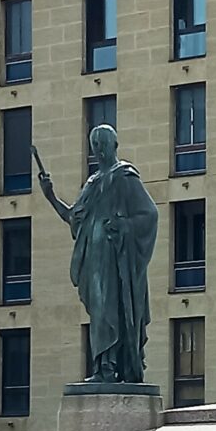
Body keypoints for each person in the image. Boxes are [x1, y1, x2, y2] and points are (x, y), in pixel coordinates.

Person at [38, 125, 159, 384]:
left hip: (115, 260)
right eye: (95, 145)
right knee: (100, 313)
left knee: (110, 311)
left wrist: (123, 226)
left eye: (102, 144)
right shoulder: (92, 183)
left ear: (114, 146)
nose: (99, 150)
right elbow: (73, 217)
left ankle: (112, 368)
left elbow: (149, 214)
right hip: (94, 259)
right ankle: (102, 367)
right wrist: (50, 197)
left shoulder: (125, 176)